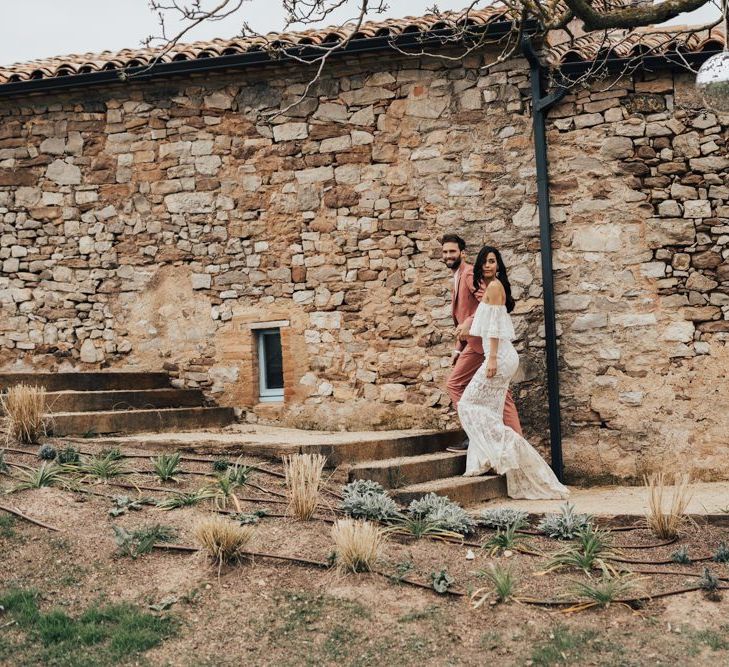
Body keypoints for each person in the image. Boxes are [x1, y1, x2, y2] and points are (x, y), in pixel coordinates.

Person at [458, 245, 568, 499]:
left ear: (499, 266)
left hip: (499, 357)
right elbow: (485, 321)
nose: (487, 265)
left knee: (467, 404)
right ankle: (485, 459)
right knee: (489, 411)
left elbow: (495, 327)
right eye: (484, 261)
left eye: (492, 261)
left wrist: (492, 359)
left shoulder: (495, 287)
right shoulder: (491, 288)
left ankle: (506, 449)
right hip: (497, 356)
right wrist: (468, 326)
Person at [441, 233, 522, 453]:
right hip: (476, 344)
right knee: (503, 396)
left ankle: (475, 436)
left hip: (481, 344)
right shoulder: (457, 277)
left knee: (455, 385)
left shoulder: (468, 273)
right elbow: (468, 313)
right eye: (445, 252)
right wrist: (457, 349)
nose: (449, 255)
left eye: (453, 251)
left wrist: (468, 325)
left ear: (463, 253)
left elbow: (485, 306)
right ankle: (517, 446)